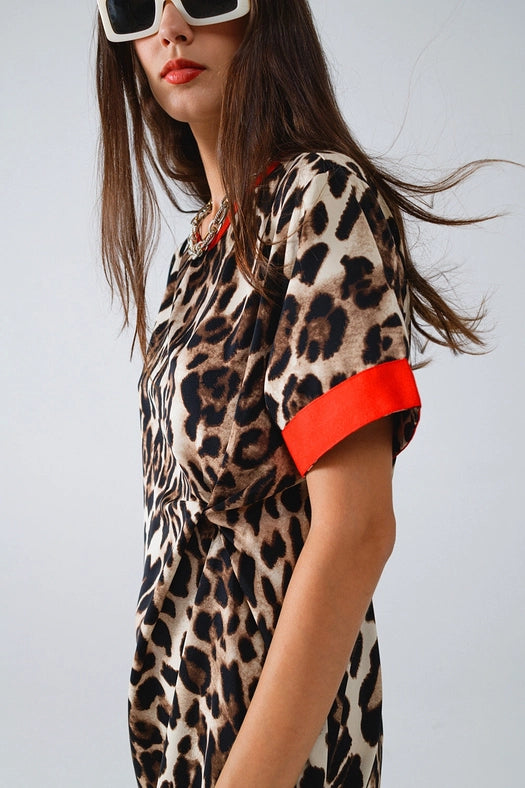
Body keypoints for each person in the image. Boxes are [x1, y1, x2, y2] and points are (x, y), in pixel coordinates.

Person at [95, 2, 487, 786]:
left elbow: (357, 530)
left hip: (280, 757)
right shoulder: (195, 254)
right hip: (182, 743)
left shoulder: (319, 198)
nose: (170, 27)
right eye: (136, 5)